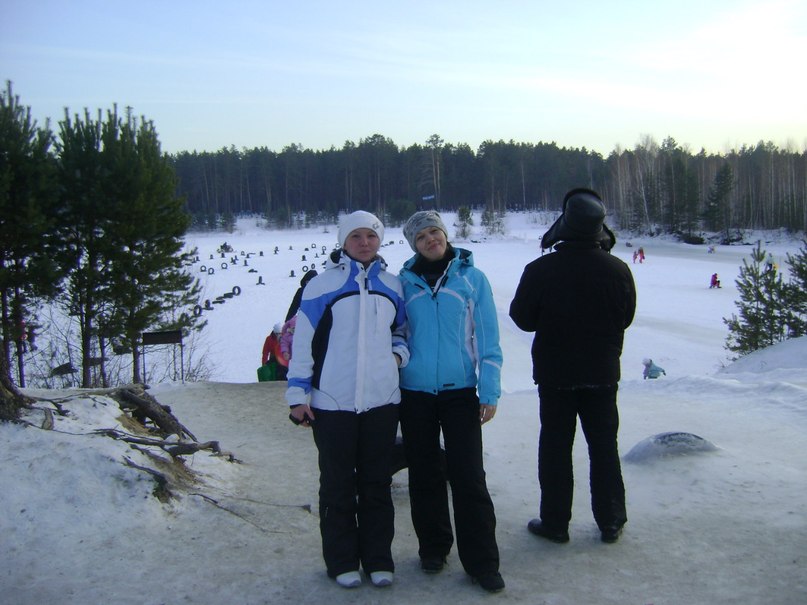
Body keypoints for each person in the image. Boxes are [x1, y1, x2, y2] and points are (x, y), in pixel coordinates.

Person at [285, 210, 409, 589]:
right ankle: (341, 561)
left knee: (376, 484)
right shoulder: (321, 286)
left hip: (382, 401)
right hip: (331, 402)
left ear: (379, 240)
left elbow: (401, 332)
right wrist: (297, 394)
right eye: (356, 236)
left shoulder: (392, 284)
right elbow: (302, 344)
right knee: (337, 485)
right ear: (343, 241)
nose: (364, 243)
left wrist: (395, 358)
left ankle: (378, 559)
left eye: (371, 236)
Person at [509, 188, 636, 545]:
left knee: (555, 447)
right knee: (604, 447)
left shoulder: (541, 269)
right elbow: (625, 318)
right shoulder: (618, 269)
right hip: (602, 373)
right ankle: (611, 520)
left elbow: (522, 318)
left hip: (556, 374)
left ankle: (555, 522)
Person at [398, 210, 505, 593]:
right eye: (422, 236)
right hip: (415, 394)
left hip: (460, 392)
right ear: (414, 244)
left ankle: (482, 562)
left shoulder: (472, 279)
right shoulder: (404, 284)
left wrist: (488, 391)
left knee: (469, 478)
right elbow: (397, 336)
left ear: (446, 235)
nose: (431, 239)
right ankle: (433, 548)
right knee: (424, 475)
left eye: (435, 232)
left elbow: (489, 341)